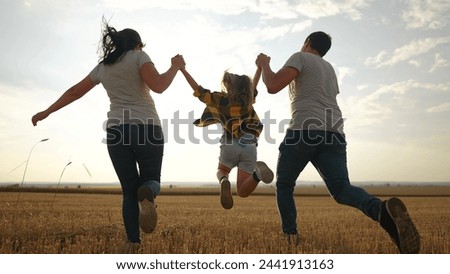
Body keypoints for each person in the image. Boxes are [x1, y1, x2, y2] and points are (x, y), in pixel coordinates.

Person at [255, 31, 420, 253]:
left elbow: (273, 85)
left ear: (307, 43)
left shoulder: (300, 57)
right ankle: (382, 211)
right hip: (334, 132)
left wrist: (264, 64)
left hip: (305, 129)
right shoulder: (330, 69)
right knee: (342, 189)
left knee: (284, 185)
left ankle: (290, 237)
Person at [31, 21, 185, 247]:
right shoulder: (139, 57)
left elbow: (75, 92)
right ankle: (148, 191)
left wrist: (46, 111)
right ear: (137, 45)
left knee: (128, 191)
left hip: (116, 132)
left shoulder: (103, 67)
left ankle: (133, 242)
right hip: (146, 127)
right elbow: (159, 86)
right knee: (152, 180)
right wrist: (175, 67)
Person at [180, 66, 274, 209]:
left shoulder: (220, 99)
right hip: (250, 145)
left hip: (230, 143)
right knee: (242, 191)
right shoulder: (248, 99)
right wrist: (259, 68)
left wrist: (183, 69)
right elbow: (254, 85)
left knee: (222, 170)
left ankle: (224, 180)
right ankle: (257, 175)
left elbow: (199, 91)